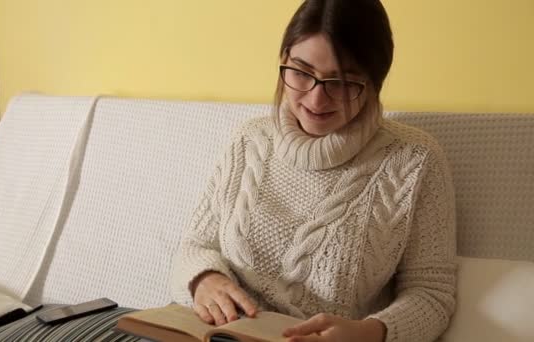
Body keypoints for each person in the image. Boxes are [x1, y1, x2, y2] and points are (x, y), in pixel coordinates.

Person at [170, 0, 457, 341]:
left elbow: (432, 294)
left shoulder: (413, 159)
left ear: (373, 82)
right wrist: (204, 280)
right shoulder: (249, 140)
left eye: (342, 82)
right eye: (302, 72)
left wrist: (369, 333)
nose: (316, 100)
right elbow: (193, 246)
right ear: (284, 60)